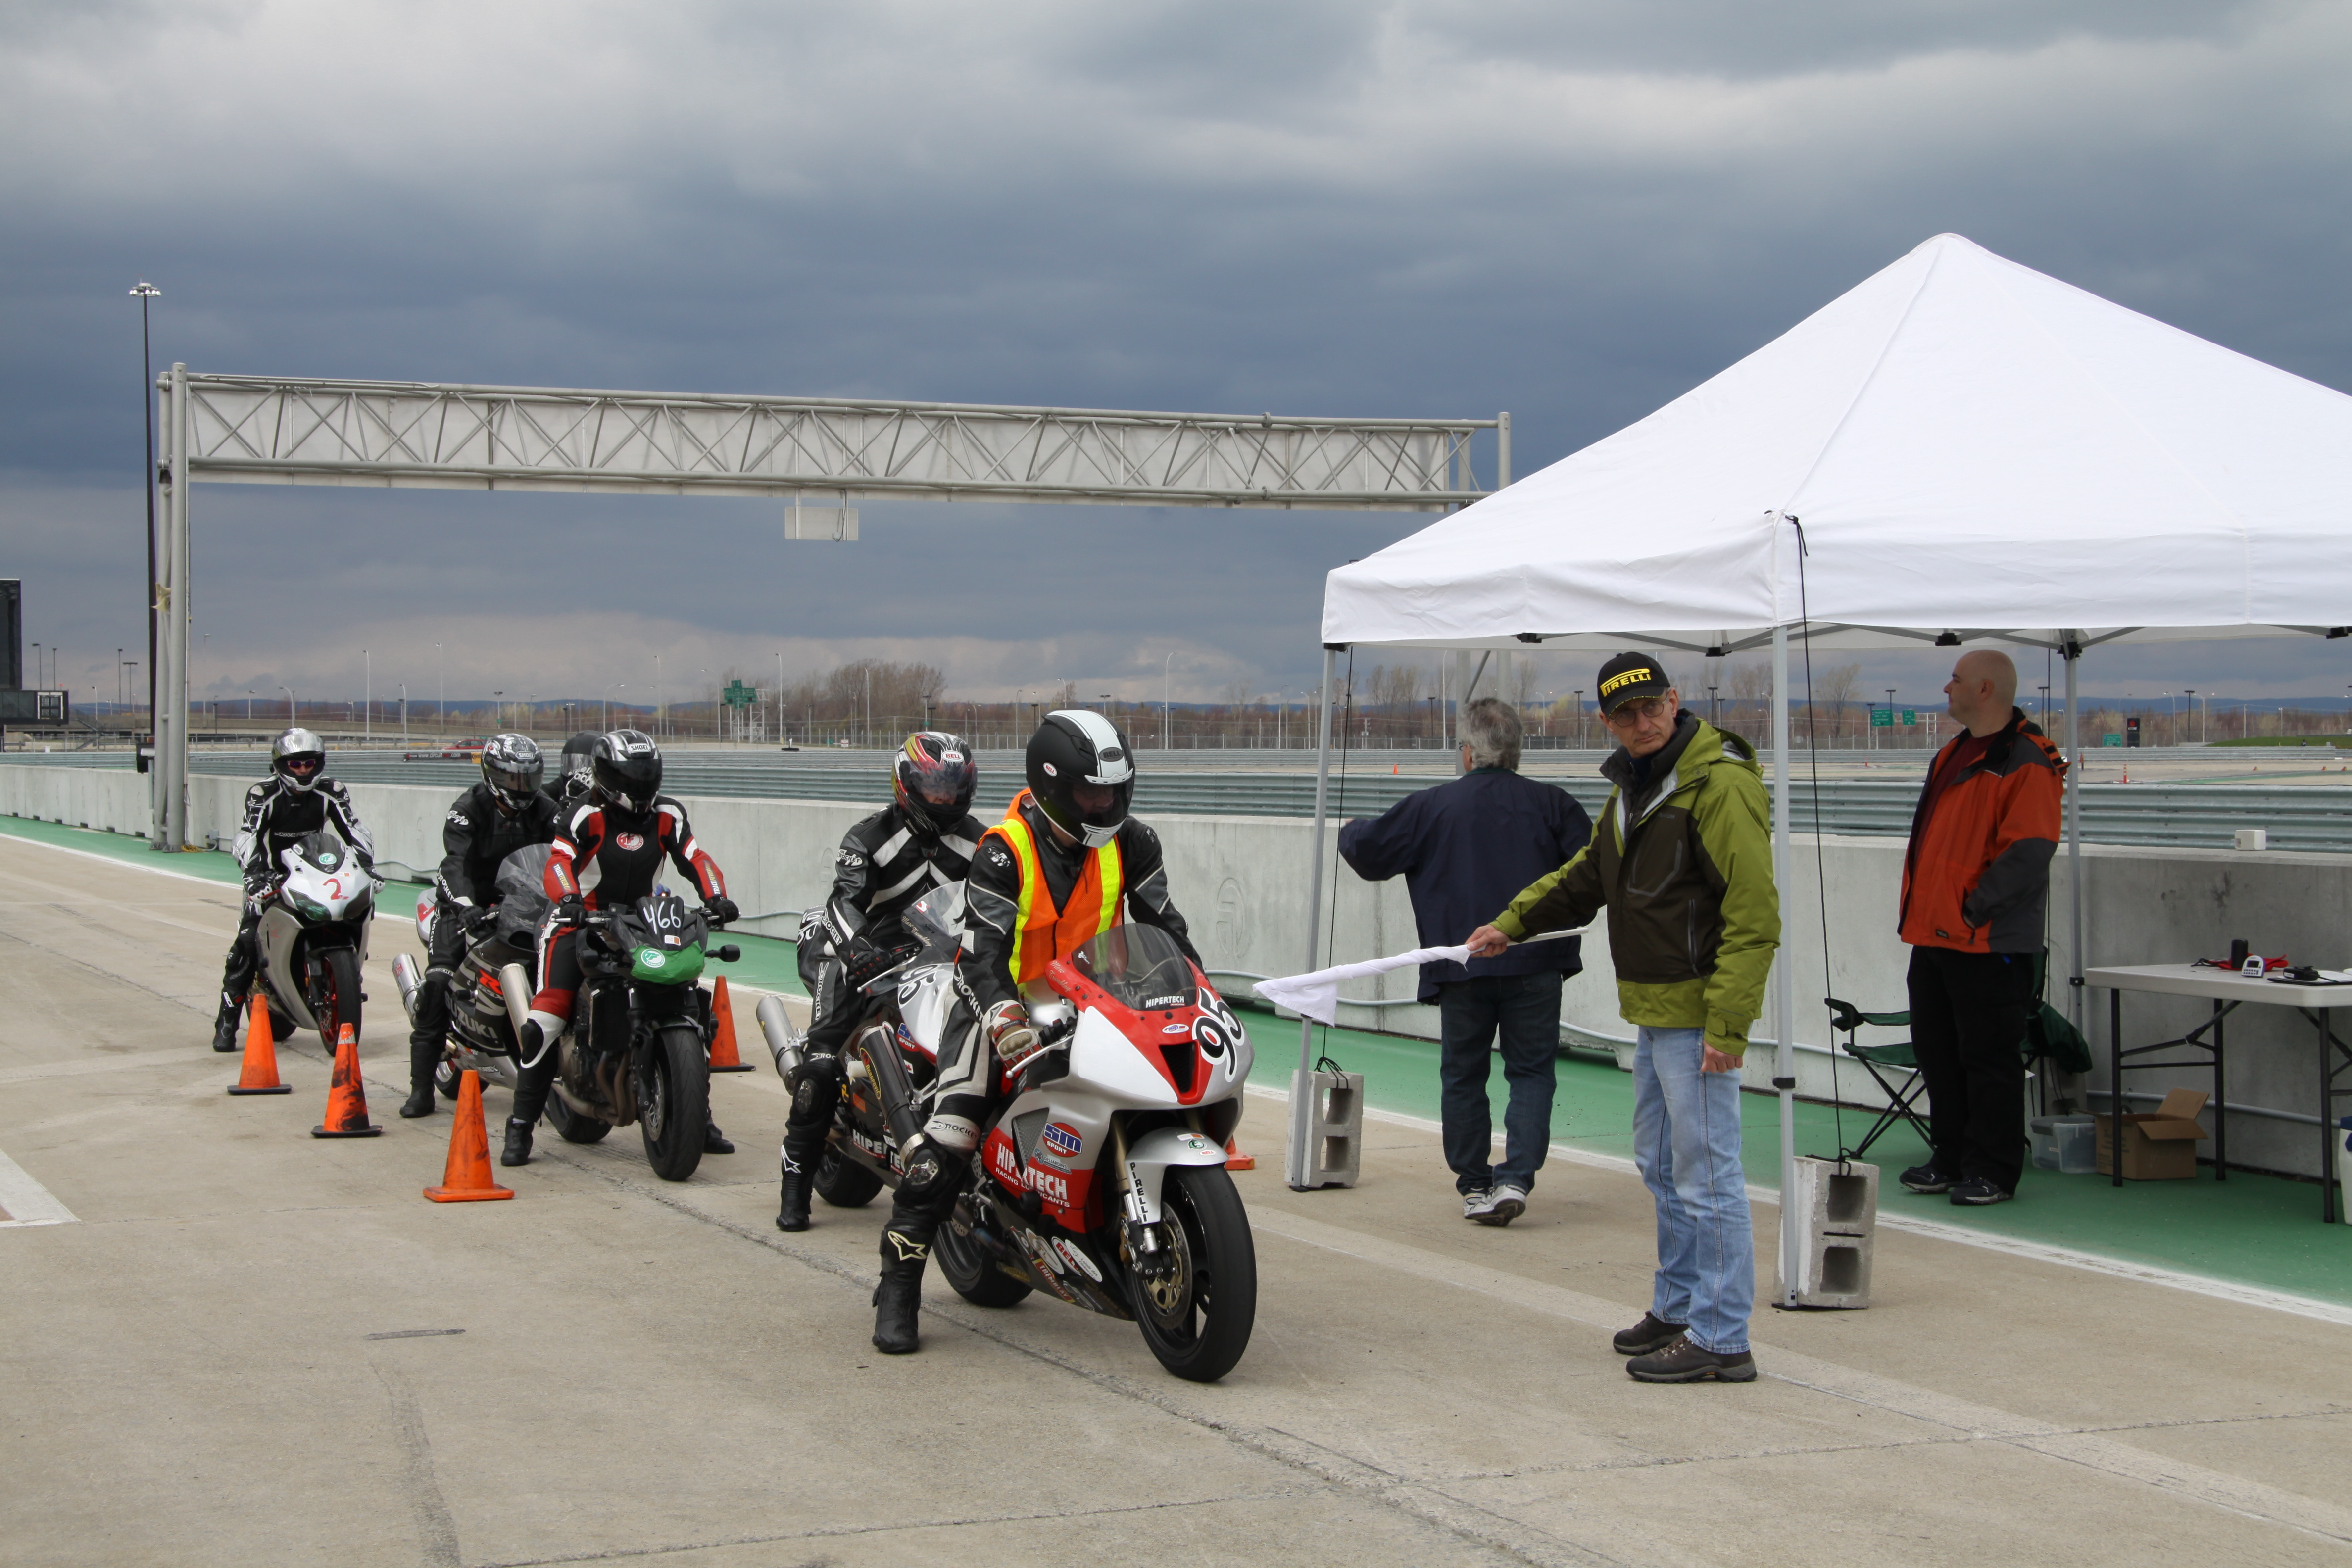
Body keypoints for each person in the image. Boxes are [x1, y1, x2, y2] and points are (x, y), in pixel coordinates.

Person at [1468, 652, 1777, 1384]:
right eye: (1625, 715)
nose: (1642, 723)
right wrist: (1512, 923)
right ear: (1607, 722)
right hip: (1655, 1009)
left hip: (1697, 1015)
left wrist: (1728, 1027)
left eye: (1651, 707)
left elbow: (1753, 915)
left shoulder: (1719, 784)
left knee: (1708, 1178)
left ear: (1675, 701)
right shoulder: (1635, 787)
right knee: (1663, 1168)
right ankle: (1677, 1307)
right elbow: (1589, 875)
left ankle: (1722, 1336)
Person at [871, 710, 1198, 1355]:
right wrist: (1004, 1018)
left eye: (1114, 792)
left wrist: (1196, 988)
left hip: (1096, 1002)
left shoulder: (1134, 842)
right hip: (1000, 1004)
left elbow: (1166, 927)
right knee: (950, 1141)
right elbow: (982, 956)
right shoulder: (1004, 851)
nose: (1104, 806)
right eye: (1089, 794)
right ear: (1051, 787)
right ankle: (899, 1284)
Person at [1339, 697, 1592, 1226]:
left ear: (1468, 753)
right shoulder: (1556, 806)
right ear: (1517, 751)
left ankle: (1475, 1184)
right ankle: (1516, 1177)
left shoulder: (1433, 806)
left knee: (1463, 1074)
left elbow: (1370, 853)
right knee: (1532, 1073)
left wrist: (1350, 827)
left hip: (1462, 966)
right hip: (1536, 963)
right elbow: (1591, 879)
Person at [776, 731, 986, 1232]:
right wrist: (858, 952)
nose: (944, 798)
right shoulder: (869, 838)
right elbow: (843, 902)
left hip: (941, 955)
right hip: (867, 953)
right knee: (821, 1067)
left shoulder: (983, 842)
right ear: (905, 784)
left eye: (953, 788)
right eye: (934, 787)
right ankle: (795, 1186)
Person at [502, 730, 741, 1167]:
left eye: (648, 776)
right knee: (547, 1019)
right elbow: (559, 862)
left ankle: (697, 1117)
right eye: (632, 777)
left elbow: (695, 858)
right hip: (581, 921)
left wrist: (717, 898)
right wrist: (569, 900)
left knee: (689, 1003)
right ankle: (520, 1125)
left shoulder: (668, 814)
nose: (641, 785)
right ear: (608, 777)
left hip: (643, 920)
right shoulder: (584, 814)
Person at [1897, 650, 2066, 1206]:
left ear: (1986, 689)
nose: (1947, 689)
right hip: (1935, 935)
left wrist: (1972, 909)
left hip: (1989, 942)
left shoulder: (2026, 759)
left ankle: (1993, 1168)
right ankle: (1950, 1156)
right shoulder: (1953, 753)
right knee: (1938, 1054)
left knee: (1989, 1059)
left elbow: (2029, 850)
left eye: (1956, 680)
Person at [400, 733, 560, 1118]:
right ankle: (420, 1088)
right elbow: (454, 862)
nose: (521, 787)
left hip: (526, 905)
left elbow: (564, 855)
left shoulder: (546, 809)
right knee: (438, 981)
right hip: (468, 905)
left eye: (529, 778)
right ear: (492, 774)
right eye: (512, 778)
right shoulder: (468, 809)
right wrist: (465, 905)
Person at [211, 728, 376, 1052]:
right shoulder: (263, 794)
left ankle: (346, 976)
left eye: (310, 763)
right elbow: (248, 835)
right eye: (296, 764)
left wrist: (367, 867)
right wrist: (255, 876)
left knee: (356, 910)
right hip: (272, 879)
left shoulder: (332, 791)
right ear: (280, 765)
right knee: (247, 942)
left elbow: (354, 829)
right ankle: (227, 1021)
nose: (303, 770)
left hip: (315, 873)